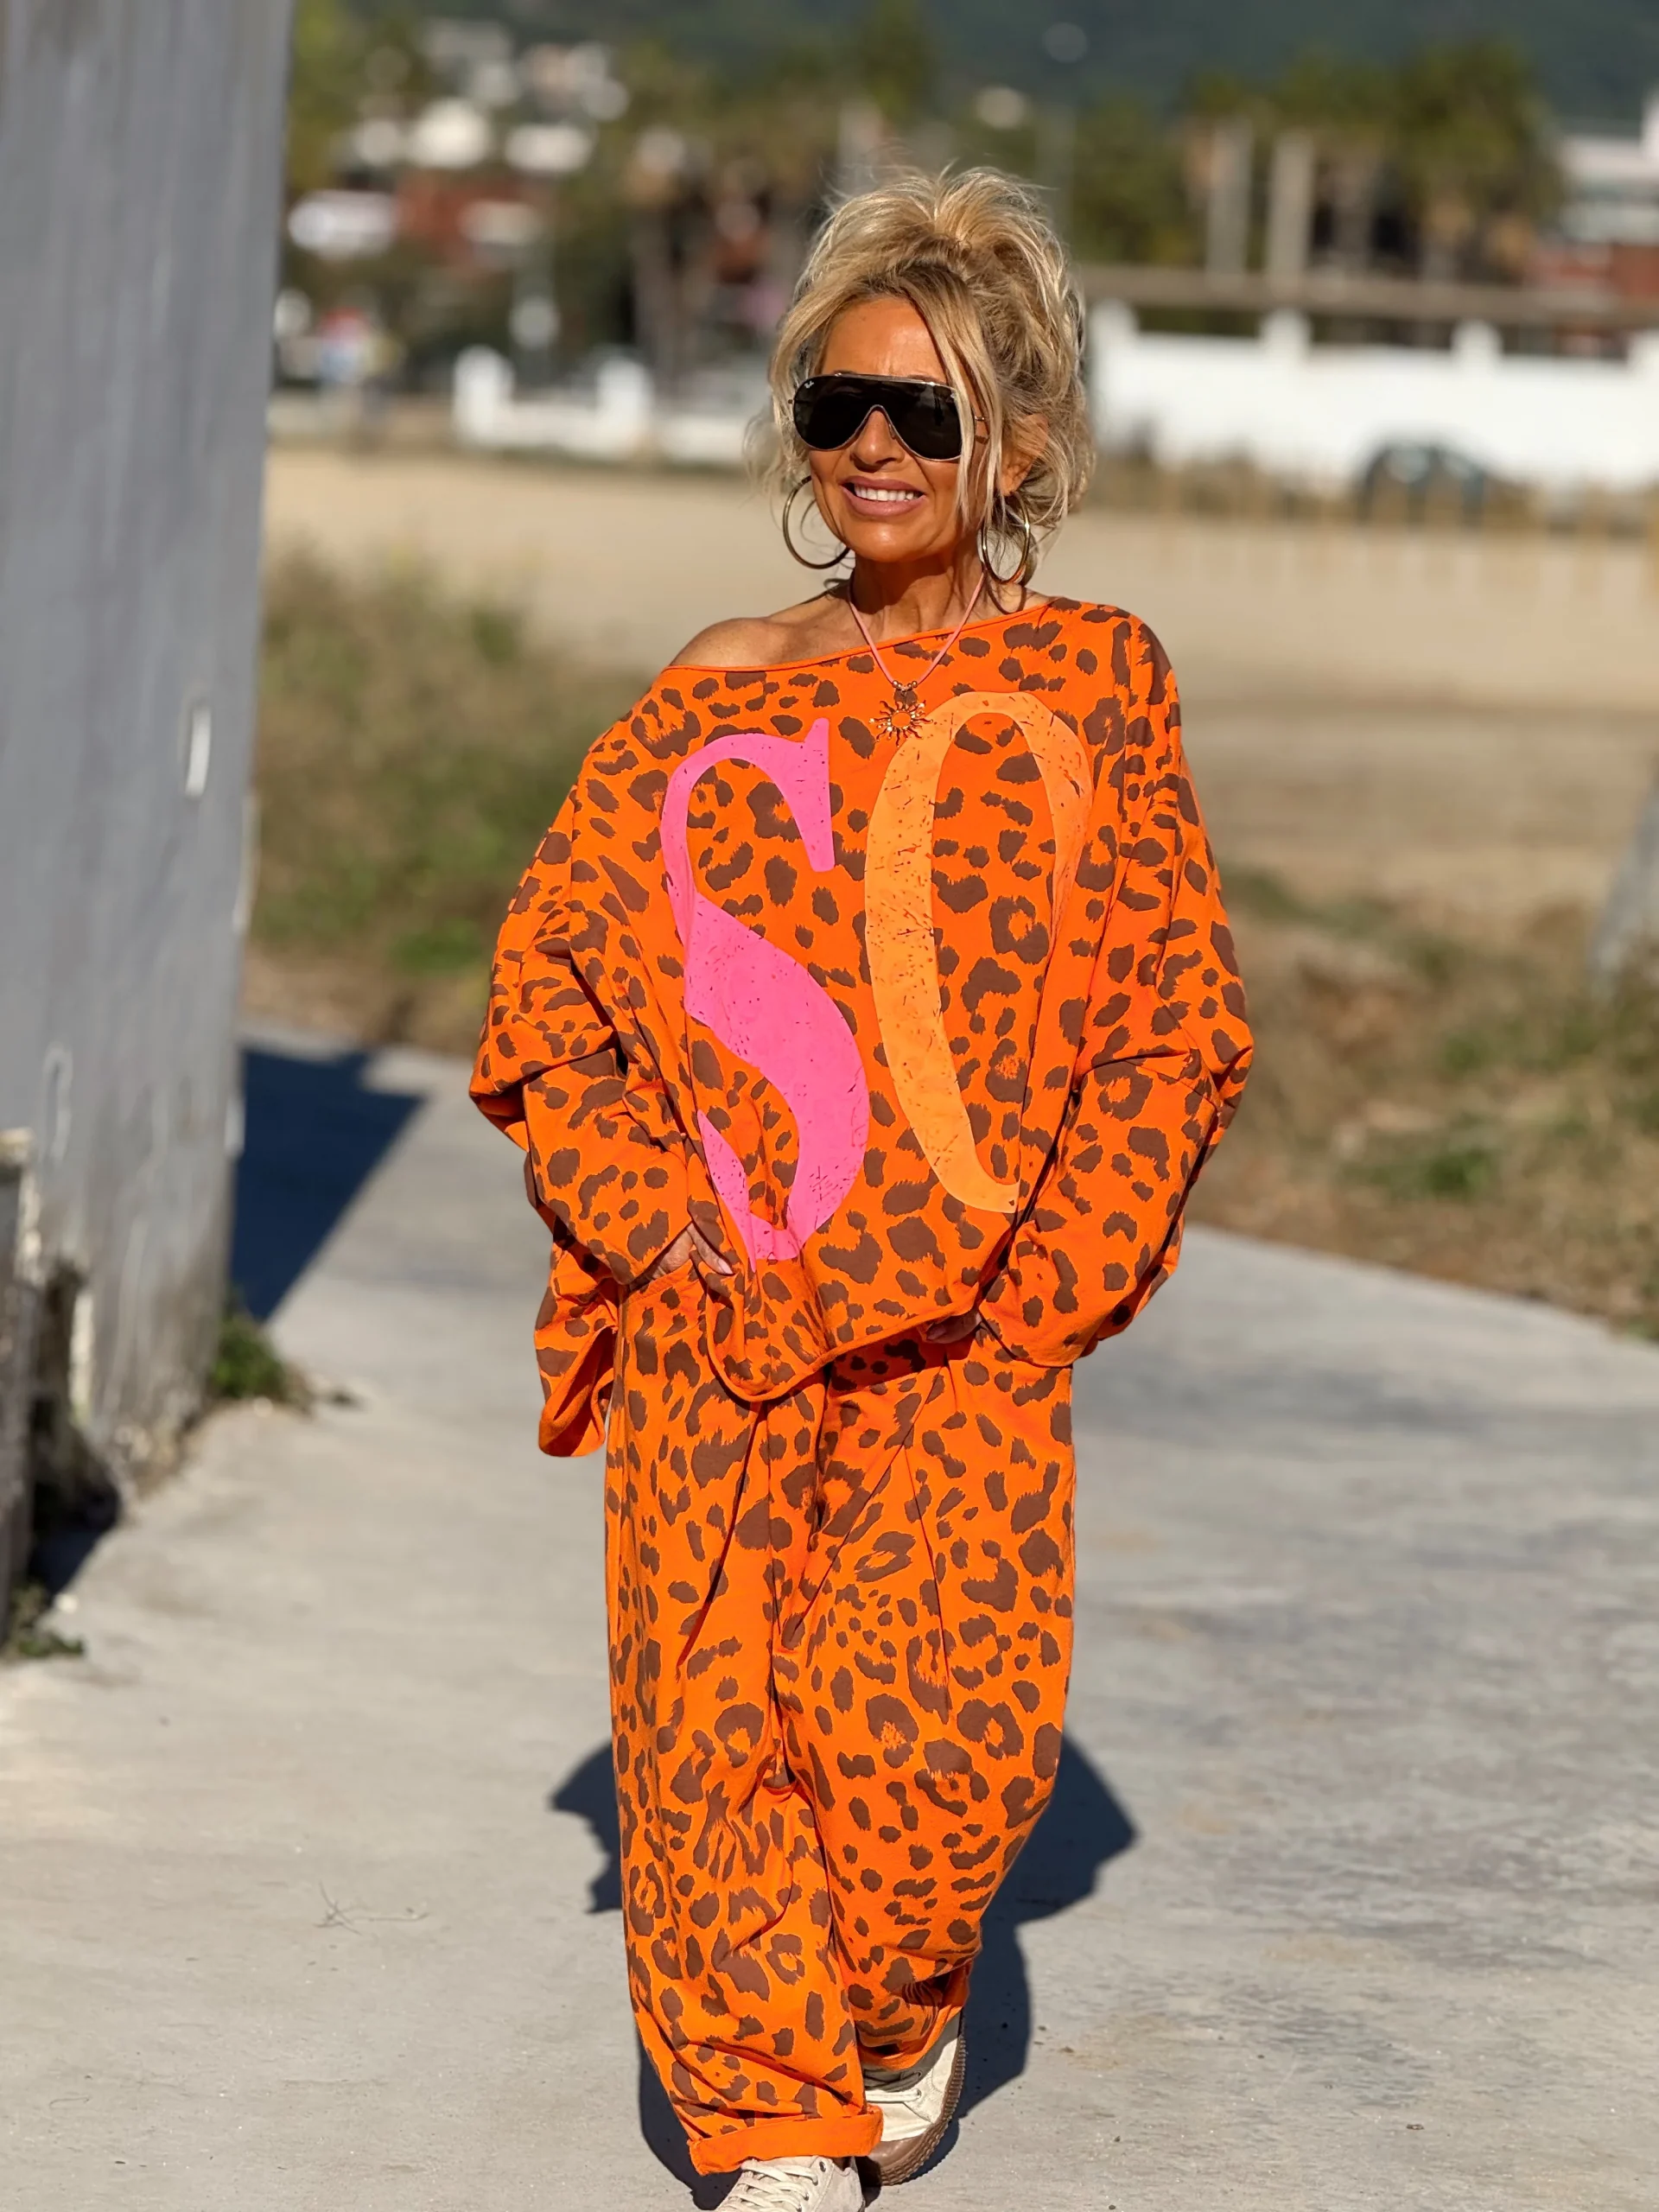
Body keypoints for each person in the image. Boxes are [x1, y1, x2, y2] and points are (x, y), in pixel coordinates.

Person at [472, 169, 1251, 2211]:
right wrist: (652, 1219)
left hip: (968, 1338)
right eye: (839, 406)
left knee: (936, 1774)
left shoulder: (1098, 682)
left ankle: (894, 2010)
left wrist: (1057, 1284)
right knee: (711, 1737)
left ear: (1023, 443)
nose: (877, 447)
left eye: (928, 410)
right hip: (722, 1323)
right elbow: (555, 982)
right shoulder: (722, 678)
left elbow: (1174, 1016)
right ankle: (776, 2115)